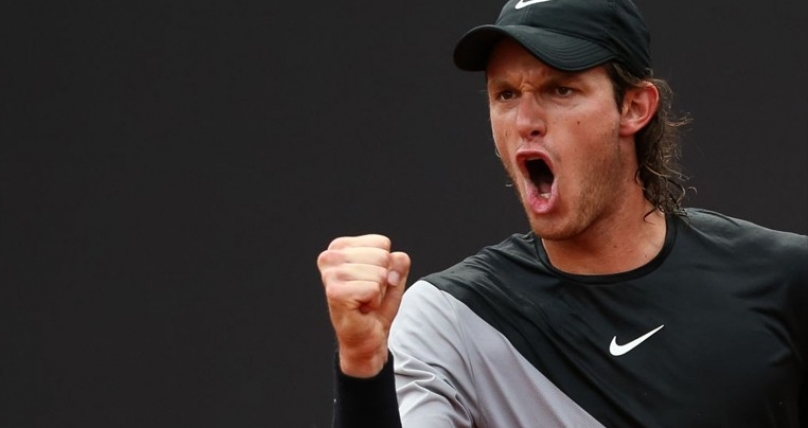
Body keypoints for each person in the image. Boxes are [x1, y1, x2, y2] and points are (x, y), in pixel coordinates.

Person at [316, 0, 808, 426]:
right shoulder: (452, 320)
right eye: (506, 94)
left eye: (560, 90)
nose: (526, 122)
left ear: (634, 107)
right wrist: (363, 364)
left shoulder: (784, 278)